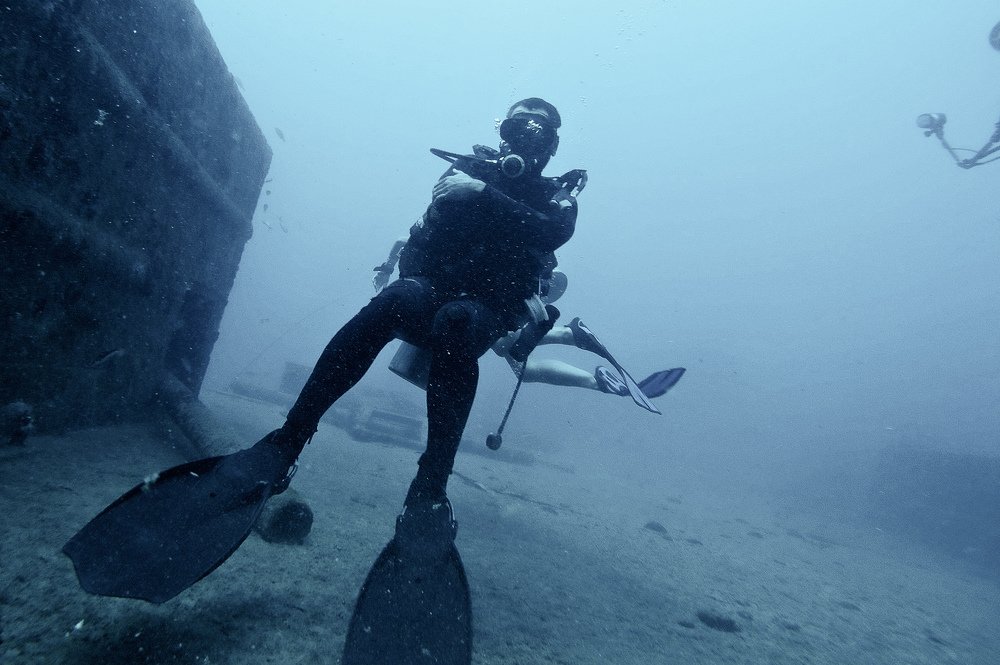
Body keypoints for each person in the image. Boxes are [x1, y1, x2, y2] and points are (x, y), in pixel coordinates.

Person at [259, 98, 579, 514]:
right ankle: (288, 438)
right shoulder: (468, 168)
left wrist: (483, 193)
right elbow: (437, 221)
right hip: (432, 289)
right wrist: (481, 190)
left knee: (457, 322)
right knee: (391, 301)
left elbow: (553, 232)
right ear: (503, 135)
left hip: (487, 309)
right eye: (516, 131)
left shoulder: (556, 197)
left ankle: (431, 487)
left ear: (551, 147)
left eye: (537, 135)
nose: (524, 142)